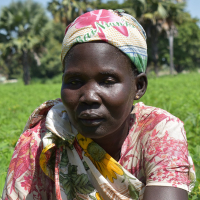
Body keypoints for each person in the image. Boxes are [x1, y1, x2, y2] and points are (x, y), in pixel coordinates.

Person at [2, 9, 195, 200]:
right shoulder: (43, 141)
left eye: (107, 81)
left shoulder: (159, 132)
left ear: (138, 86)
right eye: (75, 82)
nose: (89, 97)